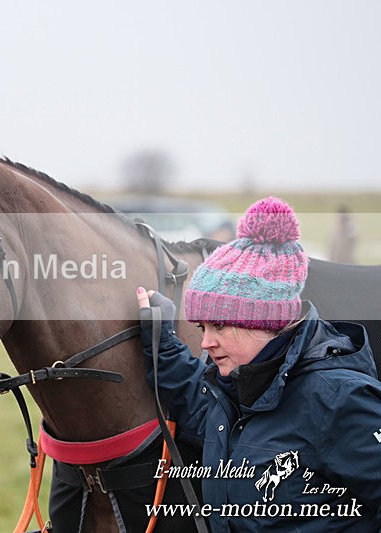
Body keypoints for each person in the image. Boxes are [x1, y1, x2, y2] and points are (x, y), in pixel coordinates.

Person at [136, 197, 381, 532]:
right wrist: (161, 340)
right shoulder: (234, 394)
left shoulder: (340, 400)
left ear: (266, 322)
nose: (206, 342)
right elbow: (197, 403)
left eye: (219, 326)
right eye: (202, 328)